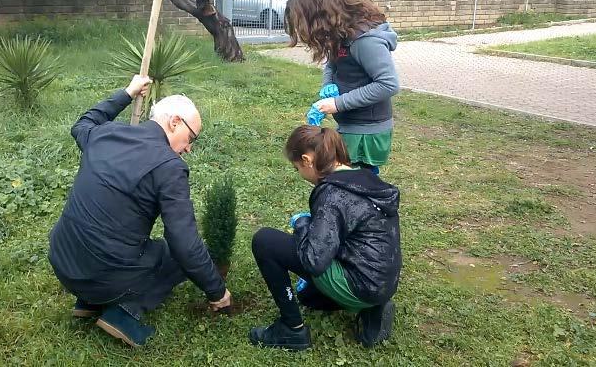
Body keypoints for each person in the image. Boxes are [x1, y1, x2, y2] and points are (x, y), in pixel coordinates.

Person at [48, 75, 231, 348]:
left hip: (62, 261)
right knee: (175, 255)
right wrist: (217, 291)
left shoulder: (105, 133)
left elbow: (82, 123)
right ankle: (124, 312)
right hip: (102, 275)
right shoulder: (170, 167)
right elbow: (185, 243)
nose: (190, 148)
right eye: (192, 138)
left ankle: (88, 301)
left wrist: (127, 92)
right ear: (174, 122)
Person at [249, 125, 402, 350]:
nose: (300, 174)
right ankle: (373, 309)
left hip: (361, 285)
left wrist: (304, 225)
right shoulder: (364, 180)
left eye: (297, 168)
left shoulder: (333, 195)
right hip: (383, 281)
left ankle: (292, 330)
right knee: (309, 298)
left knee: (265, 241)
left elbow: (314, 260)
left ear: (307, 160)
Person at [287, 0, 400, 175]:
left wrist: (337, 104)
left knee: (356, 180)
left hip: (367, 129)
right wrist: (328, 85)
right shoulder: (341, 33)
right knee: (343, 177)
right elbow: (332, 64)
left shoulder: (366, 41)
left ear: (320, 14)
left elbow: (388, 84)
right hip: (351, 123)